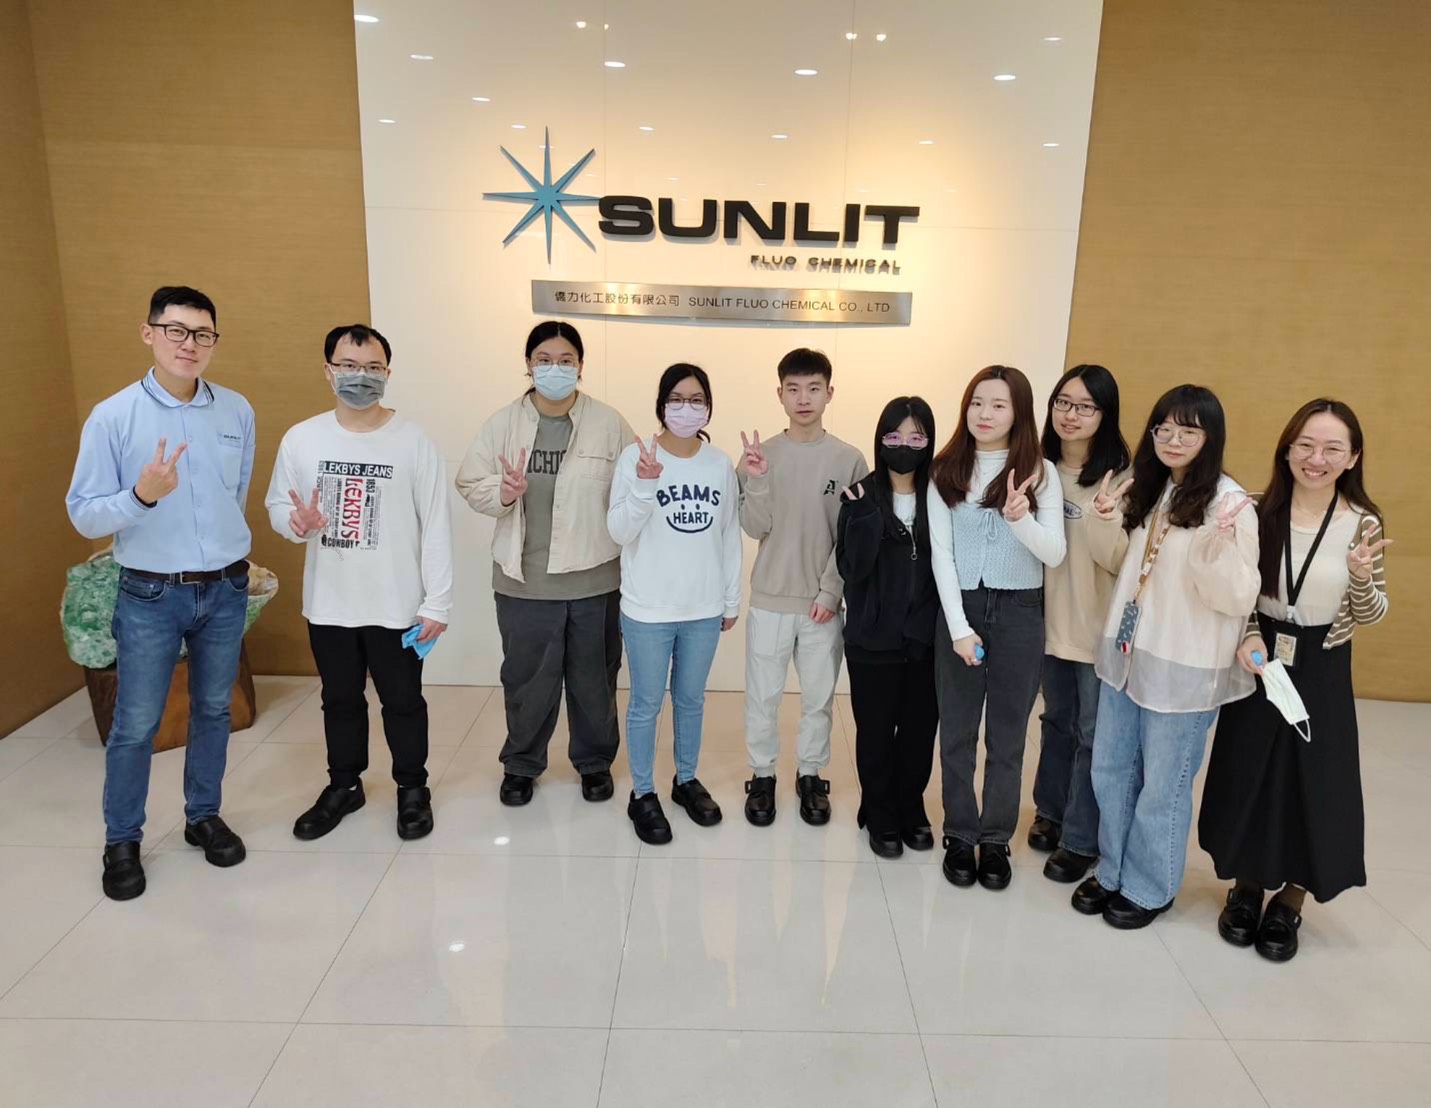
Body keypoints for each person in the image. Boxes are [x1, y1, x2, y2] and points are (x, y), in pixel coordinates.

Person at [66, 286, 254, 900]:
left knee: (213, 710)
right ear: (149, 333)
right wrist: (141, 496)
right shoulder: (114, 416)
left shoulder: (236, 411)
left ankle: (203, 816)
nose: (189, 344)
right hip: (150, 592)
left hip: (224, 588)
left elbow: (235, 496)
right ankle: (122, 840)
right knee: (136, 723)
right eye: (176, 330)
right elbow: (84, 514)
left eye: (202, 334)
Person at [1198, 399, 1390, 962]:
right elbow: (1236, 589)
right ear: (1287, 449)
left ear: (1353, 457)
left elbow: (1372, 613)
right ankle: (1246, 886)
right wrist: (1250, 632)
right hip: (1260, 654)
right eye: (1305, 444)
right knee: (1249, 771)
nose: (1316, 458)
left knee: (1315, 780)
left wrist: (1360, 577)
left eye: (1332, 448)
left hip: (1323, 661)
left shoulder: (1363, 522)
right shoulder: (1257, 510)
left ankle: (1290, 899)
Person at [1072, 384, 1259, 929]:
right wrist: (1104, 517)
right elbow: (1120, 564)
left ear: (1211, 437)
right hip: (1130, 653)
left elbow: (1237, 597)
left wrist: (1213, 552)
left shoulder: (1229, 505)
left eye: (1188, 431)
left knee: (1164, 784)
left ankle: (1150, 886)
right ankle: (1113, 870)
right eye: (1164, 428)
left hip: (1184, 665)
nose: (1173, 440)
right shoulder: (1152, 486)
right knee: (1111, 769)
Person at [265, 324, 451, 842]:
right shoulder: (302, 438)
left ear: (388, 374)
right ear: (328, 371)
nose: (360, 377)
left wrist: (438, 602)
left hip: (398, 604)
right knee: (340, 700)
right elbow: (279, 504)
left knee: (404, 702)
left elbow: (436, 524)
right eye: (348, 366)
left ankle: (412, 788)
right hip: (330, 603)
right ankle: (344, 786)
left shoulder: (414, 441)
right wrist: (295, 523)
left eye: (372, 368)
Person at [455, 322, 635, 806]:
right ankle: (522, 764)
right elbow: (470, 481)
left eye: (566, 360)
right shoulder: (503, 423)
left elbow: (634, 490)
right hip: (525, 583)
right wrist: (503, 492)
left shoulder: (610, 424)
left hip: (595, 580)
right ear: (529, 365)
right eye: (544, 359)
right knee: (527, 682)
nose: (555, 368)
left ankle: (594, 762)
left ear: (581, 365)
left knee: (594, 681)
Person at [927, 366, 1066, 891]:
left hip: (1020, 612)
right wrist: (959, 628)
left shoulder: (1040, 471)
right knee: (957, 732)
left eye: (999, 405)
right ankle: (960, 833)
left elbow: (1054, 552)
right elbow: (941, 555)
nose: (984, 414)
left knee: (1008, 736)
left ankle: (995, 838)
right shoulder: (946, 469)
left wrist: (1019, 518)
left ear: (1019, 413)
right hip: (960, 607)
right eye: (977, 403)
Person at [607, 364, 742, 844]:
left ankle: (685, 780)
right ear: (662, 404)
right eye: (677, 399)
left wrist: (730, 598)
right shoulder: (636, 457)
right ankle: (642, 792)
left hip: (702, 608)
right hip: (648, 609)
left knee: (690, 700)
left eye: (697, 399)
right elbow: (618, 531)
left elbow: (729, 534)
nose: (687, 408)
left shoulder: (719, 463)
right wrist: (645, 485)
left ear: (709, 406)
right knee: (646, 703)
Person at [736, 348, 868, 827]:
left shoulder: (849, 460)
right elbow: (754, 526)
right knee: (763, 696)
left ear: (830, 392)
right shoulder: (760, 455)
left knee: (817, 699)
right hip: (771, 598)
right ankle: (763, 775)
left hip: (822, 605)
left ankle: (810, 774)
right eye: (793, 389)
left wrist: (830, 592)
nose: (804, 398)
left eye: (814, 388)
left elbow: (854, 536)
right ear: (780, 394)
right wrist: (756, 480)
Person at [1028, 366, 1132, 884]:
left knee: (1093, 735)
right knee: (1056, 723)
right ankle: (1049, 811)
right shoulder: (1035, 470)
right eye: (1063, 403)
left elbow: (1120, 562)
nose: (1071, 415)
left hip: (1096, 631)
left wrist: (1105, 517)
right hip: (1045, 624)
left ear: (1105, 415)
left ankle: (1080, 837)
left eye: (1086, 406)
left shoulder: (1124, 479)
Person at [837, 397, 941, 859]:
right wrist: (864, 520)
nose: (904, 445)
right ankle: (878, 810)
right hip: (871, 640)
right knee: (876, 733)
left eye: (916, 437)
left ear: (929, 442)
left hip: (925, 640)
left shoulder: (942, 496)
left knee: (919, 732)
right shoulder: (859, 495)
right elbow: (851, 569)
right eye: (895, 436)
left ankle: (910, 805)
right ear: (880, 440)